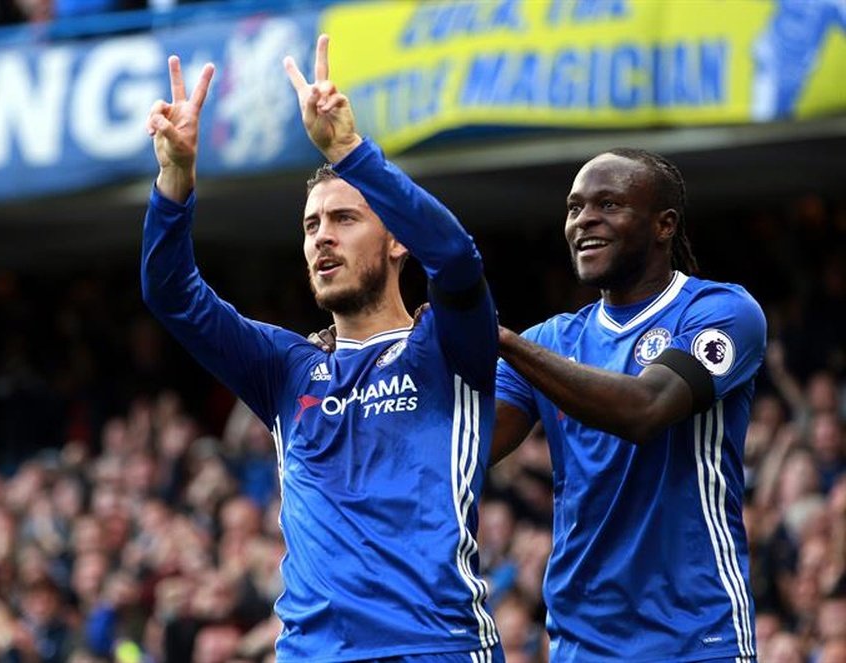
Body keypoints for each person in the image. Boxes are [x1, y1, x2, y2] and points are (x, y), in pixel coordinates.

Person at [141, 33, 503, 662]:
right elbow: (173, 296)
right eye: (311, 225)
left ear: (397, 243)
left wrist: (348, 152)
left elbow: (457, 261)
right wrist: (175, 179)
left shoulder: (447, 346)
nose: (322, 239)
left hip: (435, 647)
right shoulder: (286, 368)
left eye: (344, 219)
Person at [493, 148, 767, 661]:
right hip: (581, 642)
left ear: (664, 225)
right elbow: (466, 449)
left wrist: (504, 342)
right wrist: (378, 346)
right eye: (575, 208)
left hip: (695, 637)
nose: (584, 220)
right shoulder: (550, 341)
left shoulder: (720, 312)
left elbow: (644, 409)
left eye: (609, 204)